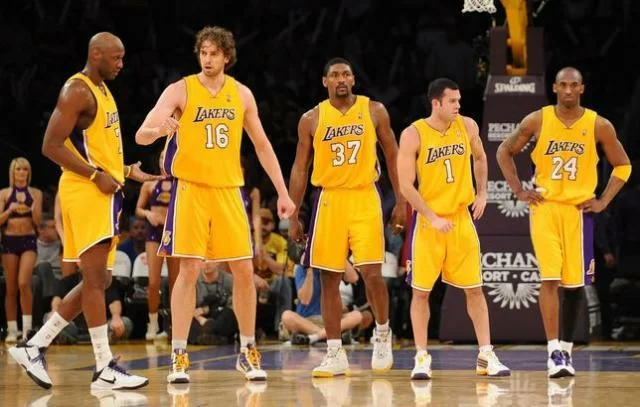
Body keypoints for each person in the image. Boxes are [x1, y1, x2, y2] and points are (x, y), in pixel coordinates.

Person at [135, 26, 295, 383]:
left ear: (226, 57)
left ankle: (248, 350)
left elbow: (263, 145)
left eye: (214, 53)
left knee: (243, 270)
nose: (207, 59)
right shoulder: (180, 89)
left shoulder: (241, 94)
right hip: (191, 189)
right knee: (189, 269)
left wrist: (283, 192)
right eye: (203, 53)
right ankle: (179, 354)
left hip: (228, 190)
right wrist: (160, 130)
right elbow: (141, 134)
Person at [8, 32, 157, 390]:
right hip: (85, 192)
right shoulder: (77, 90)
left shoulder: (103, 90)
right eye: (116, 57)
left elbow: (96, 149)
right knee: (94, 279)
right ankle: (104, 367)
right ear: (96, 54)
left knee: (99, 280)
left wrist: (124, 171)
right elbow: (50, 145)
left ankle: (35, 346)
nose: (121, 64)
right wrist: (94, 175)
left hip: (103, 192)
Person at [496, 67, 632, 377]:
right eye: (563, 85)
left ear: (582, 88)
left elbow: (623, 166)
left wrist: (603, 201)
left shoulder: (598, 124)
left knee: (574, 286)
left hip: (578, 213)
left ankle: (566, 352)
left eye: (574, 85)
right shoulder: (538, 120)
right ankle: (553, 350)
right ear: (555, 88)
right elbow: (504, 151)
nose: (568, 90)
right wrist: (518, 189)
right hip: (545, 209)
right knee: (549, 279)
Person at [288, 57, 407, 377]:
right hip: (329, 199)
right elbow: (300, 168)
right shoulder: (311, 119)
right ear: (324, 82)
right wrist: (294, 213)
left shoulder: (374, 110)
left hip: (365, 196)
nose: (341, 79)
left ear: (353, 79)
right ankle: (334, 352)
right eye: (335, 75)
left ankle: (382, 333)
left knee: (371, 273)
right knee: (328, 278)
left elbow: (393, 154)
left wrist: (401, 200)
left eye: (346, 74)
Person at [397, 77, 510, 380]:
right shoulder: (413, 134)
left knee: (475, 289)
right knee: (421, 293)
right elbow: (406, 185)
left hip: (460, 219)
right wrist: (431, 216)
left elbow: (481, 158)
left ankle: (486, 354)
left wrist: (483, 193)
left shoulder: (468, 126)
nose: (458, 105)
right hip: (428, 223)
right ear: (436, 103)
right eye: (452, 101)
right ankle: (422, 356)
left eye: (459, 100)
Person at [135, 152, 179, 340]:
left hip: (174, 232)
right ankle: (152, 323)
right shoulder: (149, 184)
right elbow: (138, 209)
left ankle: (174, 326)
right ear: (158, 161)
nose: (164, 159)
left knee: (175, 283)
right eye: (161, 157)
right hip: (154, 233)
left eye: (168, 156)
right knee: (153, 282)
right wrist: (148, 214)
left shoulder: (181, 183)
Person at [1, 157, 42, 342]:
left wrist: (33, 208)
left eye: (25, 169)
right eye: (18, 169)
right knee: (11, 288)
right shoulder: (4, 193)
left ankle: (27, 330)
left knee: (24, 283)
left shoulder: (36, 193)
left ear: (28, 172)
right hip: (9, 240)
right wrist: (10, 210)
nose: (21, 172)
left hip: (28, 240)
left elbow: (38, 222)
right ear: (12, 172)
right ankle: (12, 330)